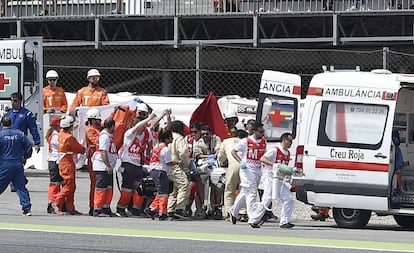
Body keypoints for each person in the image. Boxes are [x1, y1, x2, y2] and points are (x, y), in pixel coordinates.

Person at [116, 114, 156, 217]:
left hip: (138, 164)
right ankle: (120, 208)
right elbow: (138, 127)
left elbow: (150, 130)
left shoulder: (144, 134)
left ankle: (136, 209)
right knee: (127, 189)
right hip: (128, 164)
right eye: (141, 127)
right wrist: (149, 118)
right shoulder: (129, 134)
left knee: (141, 188)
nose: (142, 130)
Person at [229, 122, 266, 228]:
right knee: (252, 193)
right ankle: (253, 218)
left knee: (245, 193)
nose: (262, 133)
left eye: (263, 131)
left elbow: (263, 154)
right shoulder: (245, 141)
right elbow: (233, 152)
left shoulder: (263, 141)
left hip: (258, 170)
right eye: (260, 131)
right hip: (247, 170)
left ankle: (233, 211)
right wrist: (241, 161)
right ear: (254, 131)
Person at [259, 132, 295, 228]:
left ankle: (284, 221)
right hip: (270, 177)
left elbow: (284, 167)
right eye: (289, 141)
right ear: (284, 140)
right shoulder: (275, 150)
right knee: (267, 198)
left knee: (289, 199)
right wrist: (274, 164)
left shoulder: (287, 153)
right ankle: (255, 218)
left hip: (280, 180)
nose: (291, 143)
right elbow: (262, 159)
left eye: (292, 141)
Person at [52, 115, 86, 215]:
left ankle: (70, 207)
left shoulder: (61, 134)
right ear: (70, 127)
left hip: (62, 162)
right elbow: (79, 149)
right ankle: (57, 203)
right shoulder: (69, 137)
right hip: (67, 163)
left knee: (69, 185)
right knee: (70, 186)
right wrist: (84, 149)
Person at [0, 116, 33, 216]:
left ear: (2, 124)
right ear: (11, 123)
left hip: (5, 164)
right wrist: (25, 157)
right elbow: (28, 145)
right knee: (20, 187)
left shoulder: (1, 135)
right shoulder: (20, 134)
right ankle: (27, 209)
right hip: (18, 163)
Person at [144, 128, 178, 221]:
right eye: (171, 138)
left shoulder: (157, 147)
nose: (172, 139)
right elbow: (168, 162)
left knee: (160, 192)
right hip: (161, 171)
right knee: (164, 193)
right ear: (166, 139)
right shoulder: (166, 149)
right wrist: (177, 162)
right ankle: (162, 213)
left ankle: (151, 209)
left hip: (154, 170)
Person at [218, 128, 248, 220]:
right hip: (245, 166)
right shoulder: (247, 141)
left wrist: (222, 162)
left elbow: (221, 156)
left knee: (229, 190)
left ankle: (228, 213)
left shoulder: (226, 141)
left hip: (233, 165)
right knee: (243, 191)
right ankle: (243, 213)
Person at [92, 119, 118, 217]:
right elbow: (103, 152)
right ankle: (98, 209)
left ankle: (106, 207)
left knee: (109, 188)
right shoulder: (104, 137)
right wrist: (108, 166)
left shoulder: (108, 136)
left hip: (108, 167)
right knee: (101, 188)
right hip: (102, 167)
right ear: (112, 126)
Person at [167, 120, 191, 220]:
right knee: (184, 185)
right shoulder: (179, 138)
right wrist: (186, 164)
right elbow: (183, 152)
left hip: (167, 166)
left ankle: (170, 210)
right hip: (176, 165)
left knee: (174, 189)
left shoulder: (168, 137)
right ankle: (179, 209)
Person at [85, 108, 102, 216]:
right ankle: (92, 206)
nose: (100, 122)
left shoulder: (99, 129)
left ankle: (98, 204)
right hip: (93, 158)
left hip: (98, 157)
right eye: (97, 120)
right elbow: (96, 141)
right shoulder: (90, 130)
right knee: (95, 183)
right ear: (92, 120)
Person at [45, 117, 63, 214]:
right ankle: (52, 203)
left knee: (57, 183)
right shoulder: (56, 136)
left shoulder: (54, 134)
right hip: (55, 161)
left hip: (54, 160)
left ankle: (55, 202)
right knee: (55, 184)